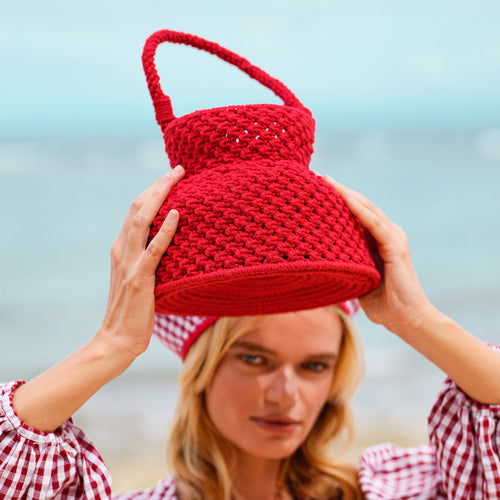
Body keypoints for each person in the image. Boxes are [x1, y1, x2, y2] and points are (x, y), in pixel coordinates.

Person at [1, 164, 499, 500]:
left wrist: (419, 321)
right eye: (254, 359)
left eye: (314, 366)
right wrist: (111, 347)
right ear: (201, 368)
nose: (285, 394)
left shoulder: (400, 488)